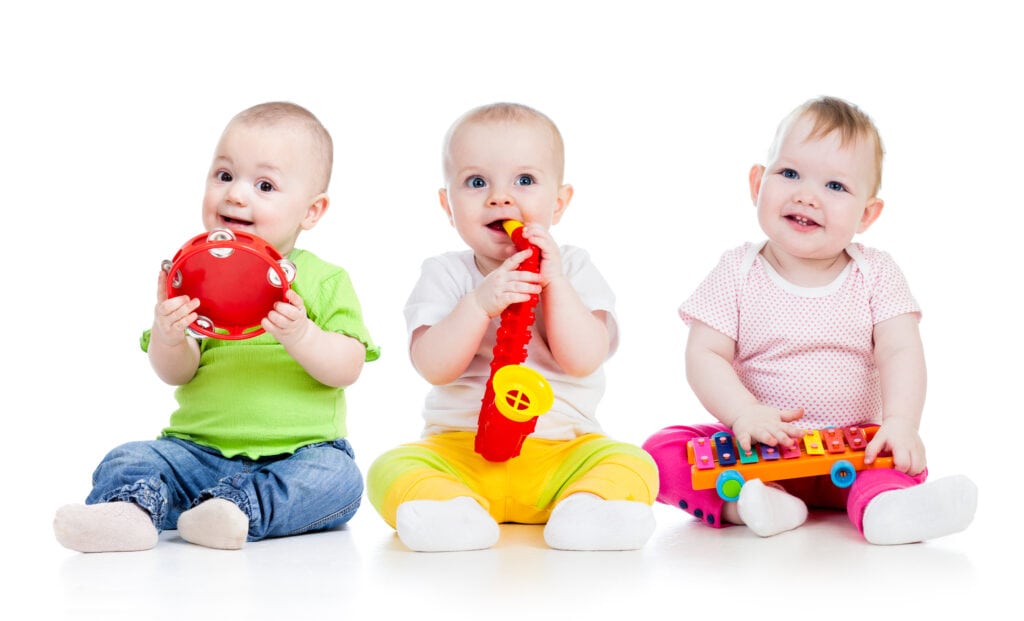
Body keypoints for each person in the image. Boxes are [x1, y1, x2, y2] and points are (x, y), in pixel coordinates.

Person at [643, 96, 977, 545]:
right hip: (755, 451)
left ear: (867, 215)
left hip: (854, 450)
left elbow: (902, 350)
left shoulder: (875, 273)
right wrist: (744, 413)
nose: (806, 195)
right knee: (661, 452)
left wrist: (901, 422)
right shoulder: (736, 271)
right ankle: (753, 504)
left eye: (835, 186)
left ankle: (888, 510)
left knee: (894, 461)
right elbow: (704, 353)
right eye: (789, 174)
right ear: (757, 183)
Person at [53, 102, 379, 552]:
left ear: (312, 211)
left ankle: (234, 511)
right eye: (224, 175)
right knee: (131, 456)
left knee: (338, 480)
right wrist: (170, 334)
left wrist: (303, 335)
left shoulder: (325, 280)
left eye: (264, 185)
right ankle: (130, 511)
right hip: (197, 452)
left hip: (299, 454)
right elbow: (177, 373)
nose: (236, 195)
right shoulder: (196, 274)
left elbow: (348, 367)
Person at [366, 103, 658, 552]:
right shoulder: (444, 273)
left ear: (558, 203)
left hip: (563, 453)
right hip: (461, 452)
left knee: (633, 461)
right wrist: (479, 303)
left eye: (524, 180)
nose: (500, 198)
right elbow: (433, 366)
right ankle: (453, 513)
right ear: (447, 204)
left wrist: (554, 281)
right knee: (390, 466)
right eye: (476, 182)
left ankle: (584, 509)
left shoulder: (575, 267)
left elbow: (583, 358)